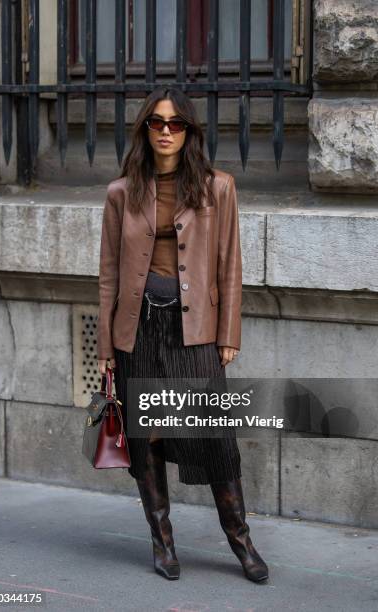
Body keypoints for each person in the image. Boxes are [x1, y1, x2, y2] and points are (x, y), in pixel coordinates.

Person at [96, 86, 268, 583]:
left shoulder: (218, 188)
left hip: (195, 332)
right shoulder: (120, 192)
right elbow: (109, 273)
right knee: (147, 438)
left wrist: (227, 333)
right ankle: (162, 541)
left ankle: (241, 542)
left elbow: (230, 267)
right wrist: (107, 346)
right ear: (144, 130)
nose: (166, 131)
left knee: (214, 437)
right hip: (139, 331)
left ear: (190, 131)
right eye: (157, 122)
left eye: (176, 124)